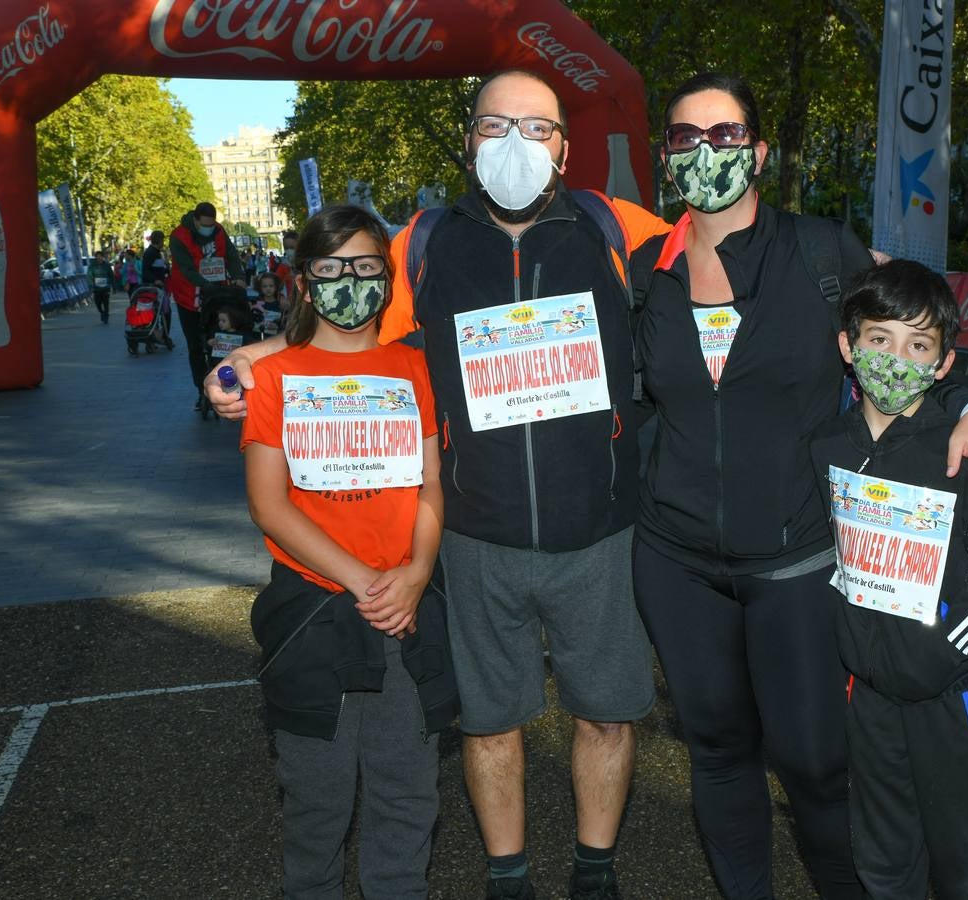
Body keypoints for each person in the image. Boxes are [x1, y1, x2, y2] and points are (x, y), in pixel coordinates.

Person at [206, 69, 672, 900]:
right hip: (476, 537)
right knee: (490, 723)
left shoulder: (616, 225)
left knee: (608, 713)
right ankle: (509, 876)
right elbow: (346, 320)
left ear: (565, 145)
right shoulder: (423, 240)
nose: (515, 145)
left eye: (537, 127)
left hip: (599, 530)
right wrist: (254, 358)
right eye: (495, 126)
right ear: (467, 139)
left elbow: (721, 264)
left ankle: (595, 870)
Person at [628, 73, 968, 899]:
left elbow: (913, 328)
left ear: (760, 152)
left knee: (813, 762)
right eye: (686, 137)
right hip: (674, 560)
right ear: (666, 154)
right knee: (718, 748)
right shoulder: (643, 271)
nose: (706, 152)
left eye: (725, 135)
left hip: (797, 561)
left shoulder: (820, 250)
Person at [242, 204, 458, 898]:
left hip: (406, 611)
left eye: (365, 267)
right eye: (330, 268)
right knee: (317, 800)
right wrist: (367, 581)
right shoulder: (273, 378)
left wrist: (418, 573)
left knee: (407, 795)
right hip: (315, 616)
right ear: (304, 282)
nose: (348, 281)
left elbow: (432, 485)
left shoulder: (413, 368)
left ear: (387, 279)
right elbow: (269, 505)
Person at [810, 260, 968, 899]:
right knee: (882, 857)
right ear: (849, 347)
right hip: (869, 698)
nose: (896, 358)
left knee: (959, 862)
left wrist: (941, 655)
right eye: (880, 339)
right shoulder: (828, 446)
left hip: (947, 701)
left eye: (919, 344)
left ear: (943, 364)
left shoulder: (958, 451)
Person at [167, 202, 248, 409]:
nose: (209, 229)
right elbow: (186, 269)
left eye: (212, 225)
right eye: (205, 225)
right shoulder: (179, 236)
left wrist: (238, 277)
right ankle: (201, 391)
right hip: (189, 297)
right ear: (195, 220)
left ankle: (228, 384)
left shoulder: (219, 231)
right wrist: (205, 284)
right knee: (196, 346)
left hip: (217, 297)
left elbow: (230, 256)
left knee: (223, 340)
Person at [87, 250, 113, 324]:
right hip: (97, 288)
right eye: (97, 257)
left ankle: (106, 316)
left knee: (106, 303)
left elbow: (111, 275)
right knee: (97, 303)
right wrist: (91, 284)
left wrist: (113, 286)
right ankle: (101, 312)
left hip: (105, 288)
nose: (99, 258)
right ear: (96, 257)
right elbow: (89, 275)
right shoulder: (92, 266)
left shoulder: (107, 265)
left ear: (102, 257)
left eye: (100, 256)